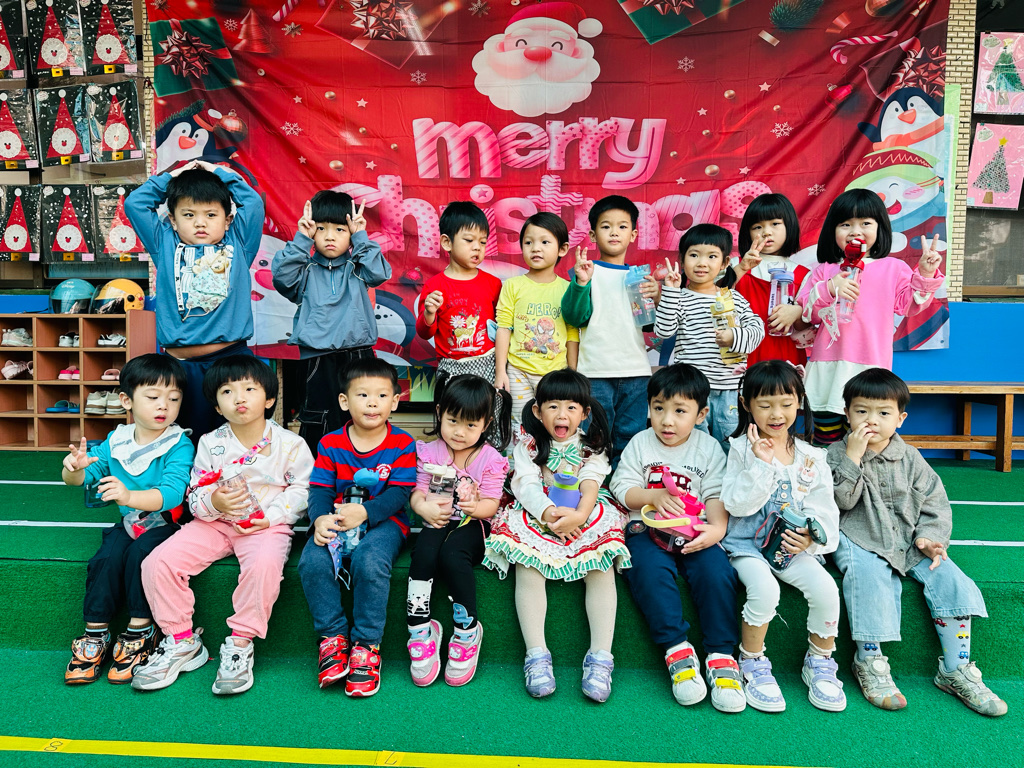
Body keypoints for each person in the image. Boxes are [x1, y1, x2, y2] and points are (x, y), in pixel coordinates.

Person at [827, 368, 1007, 717]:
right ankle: (869, 661)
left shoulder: (911, 457)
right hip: (859, 537)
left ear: (900, 419)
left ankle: (955, 668)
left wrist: (930, 537)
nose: (871, 420)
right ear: (847, 414)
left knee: (952, 580)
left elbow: (935, 502)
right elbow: (842, 502)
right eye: (861, 411)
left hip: (910, 540)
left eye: (883, 412)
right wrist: (852, 457)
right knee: (869, 577)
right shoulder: (835, 454)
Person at [133, 357, 313, 695]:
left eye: (250, 389)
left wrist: (271, 517)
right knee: (157, 563)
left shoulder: (290, 444)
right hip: (214, 525)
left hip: (265, 526)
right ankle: (182, 641)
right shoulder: (210, 442)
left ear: (269, 399)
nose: (239, 398)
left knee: (263, 566)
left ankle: (241, 643)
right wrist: (214, 503)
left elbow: (303, 490)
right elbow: (196, 491)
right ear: (216, 406)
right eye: (227, 391)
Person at [483, 369, 629, 703]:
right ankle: (536, 654)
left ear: (585, 412)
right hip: (540, 511)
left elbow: (591, 482)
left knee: (601, 566)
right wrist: (548, 515)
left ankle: (601, 657)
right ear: (537, 410)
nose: (562, 415)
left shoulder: (591, 445)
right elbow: (526, 484)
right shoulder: (528, 444)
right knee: (528, 566)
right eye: (553, 406)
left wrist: (579, 514)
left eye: (571, 407)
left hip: (584, 511)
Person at [610, 363, 746, 714]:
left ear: (701, 415)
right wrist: (652, 496)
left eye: (679, 411)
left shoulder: (709, 448)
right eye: (658, 408)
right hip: (647, 528)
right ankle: (677, 651)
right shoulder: (641, 443)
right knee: (647, 571)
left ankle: (721, 655)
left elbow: (715, 493)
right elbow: (621, 487)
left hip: (695, 528)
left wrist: (716, 530)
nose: (667, 421)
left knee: (717, 573)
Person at [720, 361, 846, 713]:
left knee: (826, 589)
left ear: (799, 401)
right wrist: (761, 464)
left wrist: (811, 539)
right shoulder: (739, 449)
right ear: (746, 404)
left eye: (786, 404)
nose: (776, 414)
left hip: (791, 548)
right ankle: (752, 660)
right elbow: (736, 505)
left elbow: (825, 510)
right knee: (765, 590)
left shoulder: (812, 456)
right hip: (746, 546)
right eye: (765, 405)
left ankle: (820, 661)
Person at [61, 354, 194, 685]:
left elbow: (172, 494)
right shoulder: (117, 440)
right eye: (153, 397)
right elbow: (84, 477)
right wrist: (73, 468)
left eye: (174, 399)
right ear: (126, 400)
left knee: (140, 557)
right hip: (130, 522)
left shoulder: (179, 443)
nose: (164, 406)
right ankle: (95, 633)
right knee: (105, 558)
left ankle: (141, 630)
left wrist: (128, 496)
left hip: (168, 524)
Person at [297, 357, 417, 697]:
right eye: (362, 395)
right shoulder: (330, 443)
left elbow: (399, 494)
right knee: (312, 560)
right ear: (344, 401)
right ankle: (333, 637)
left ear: (395, 401)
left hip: (385, 523)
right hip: (337, 519)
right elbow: (320, 489)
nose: (372, 403)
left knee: (369, 560)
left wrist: (365, 513)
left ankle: (366, 645)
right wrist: (320, 519)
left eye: (382, 395)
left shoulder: (403, 443)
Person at [125, 160, 265, 443]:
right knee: (184, 443)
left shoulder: (239, 242)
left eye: (211, 214)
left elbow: (252, 203)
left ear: (227, 220)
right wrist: (174, 175)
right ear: (173, 220)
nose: (200, 222)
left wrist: (219, 173)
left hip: (230, 362)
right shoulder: (164, 242)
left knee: (235, 443)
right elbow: (135, 203)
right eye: (189, 215)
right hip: (179, 368)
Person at [797, 189, 944, 445]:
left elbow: (910, 306)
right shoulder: (824, 271)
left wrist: (925, 274)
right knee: (826, 439)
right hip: (827, 369)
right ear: (833, 230)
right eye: (845, 224)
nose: (855, 231)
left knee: (867, 438)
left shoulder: (894, 268)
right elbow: (807, 314)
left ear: (880, 228)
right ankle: (828, 471)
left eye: (865, 223)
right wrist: (830, 288)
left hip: (870, 367)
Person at [406, 375, 511, 688]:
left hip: (473, 524)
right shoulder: (431, 452)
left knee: (452, 556)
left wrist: (474, 508)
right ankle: (419, 629)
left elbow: (491, 503)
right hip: (437, 517)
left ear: (486, 424)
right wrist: (422, 507)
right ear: (440, 413)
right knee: (424, 555)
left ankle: (467, 631)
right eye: (452, 421)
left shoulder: (490, 459)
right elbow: (418, 491)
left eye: (470, 425)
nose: (459, 432)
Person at [272, 191, 391, 455]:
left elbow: (380, 273)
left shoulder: (358, 267)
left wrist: (361, 236)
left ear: (350, 233)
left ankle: (364, 469)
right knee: (319, 418)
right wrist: (301, 239)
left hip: (358, 354)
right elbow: (282, 279)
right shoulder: (304, 268)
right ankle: (319, 473)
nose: (329, 236)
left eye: (339, 229)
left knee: (362, 415)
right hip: (317, 357)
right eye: (321, 228)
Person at [561, 195, 657, 469]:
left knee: (630, 437)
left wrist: (659, 296)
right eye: (606, 226)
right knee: (594, 438)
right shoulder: (586, 272)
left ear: (633, 234)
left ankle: (624, 485)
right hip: (595, 372)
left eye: (622, 226)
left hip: (636, 371)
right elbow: (574, 317)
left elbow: (650, 326)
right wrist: (581, 284)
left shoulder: (640, 276)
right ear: (592, 235)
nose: (614, 232)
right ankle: (593, 487)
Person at [656, 224, 765, 449]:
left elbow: (758, 329)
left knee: (731, 445)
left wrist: (734, 337)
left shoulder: (733, 297)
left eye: (712, 256)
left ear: (725, 263)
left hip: (730, 389)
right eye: (694, 255)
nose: (702, 263)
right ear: (682, 260)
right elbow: (663, 331)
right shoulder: (679, 297)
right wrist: (671, 292)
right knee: (693, 446)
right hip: (691, 391)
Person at [494, 212, 579, 431]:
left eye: (544, 242)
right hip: (518, 372)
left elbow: (572, 332)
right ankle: (518, 456)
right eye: (528, 242)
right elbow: (503, 327)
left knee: (553, 425)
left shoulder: (568, 288)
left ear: (562, 249)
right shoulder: (512, 285)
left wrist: (572, 372)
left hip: (554, 373)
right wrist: (501, 370)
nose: (535, 248)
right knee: (519, 426)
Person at [416, 201, 502, 382]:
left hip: (487, 364)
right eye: (469, 240)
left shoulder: (493, 284)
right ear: (447, 242)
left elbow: (502, 326)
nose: (477, 247)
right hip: (450, 367)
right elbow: (424, 333)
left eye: (483, 242)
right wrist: (429, 313)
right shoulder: (434, 286)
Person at [730, 194, 813, 366]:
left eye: (775, 224)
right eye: (757, 227)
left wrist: (797, 312)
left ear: (789, 226)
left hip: (784, 358)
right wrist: (741, 269)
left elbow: (805, 326)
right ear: (747, 232)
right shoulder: (735, 265)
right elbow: (715, 296)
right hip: (740, 355)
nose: (766, 232)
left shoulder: (804, 274)